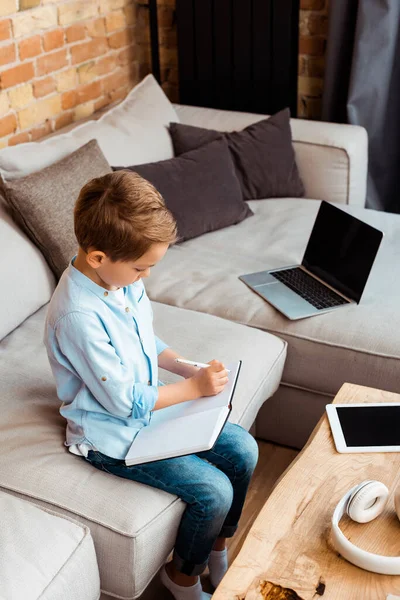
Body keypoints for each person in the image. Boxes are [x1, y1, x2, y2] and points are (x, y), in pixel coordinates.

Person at [44, 170, 259, 600]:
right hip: (109, 435)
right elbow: (124, 402)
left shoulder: (118, 281)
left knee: (243, 450)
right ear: (99, 257)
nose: (145, 278)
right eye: (141, 269)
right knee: (212, 491)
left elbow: (146, 339)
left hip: (150, 409)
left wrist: (184, 368)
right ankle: (181, 579)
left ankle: (216, 547)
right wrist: (194, 390)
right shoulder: (78, 316)